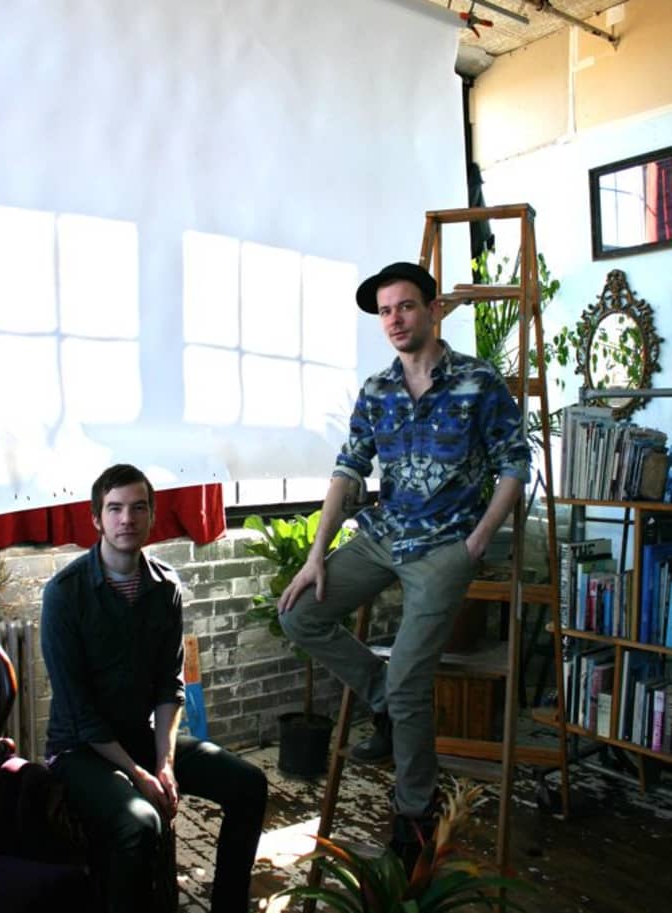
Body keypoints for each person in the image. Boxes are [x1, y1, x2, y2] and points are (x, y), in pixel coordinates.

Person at [279, 262, 530, 865]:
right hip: (381, 536)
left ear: (432, 308)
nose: (394, 319)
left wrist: (475, 542)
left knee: (414, 676)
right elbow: (348, 469)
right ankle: (383, 702)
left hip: (446, 546)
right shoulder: (377, 390)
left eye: (405, 306)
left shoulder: (478, 381)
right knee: (298, 616)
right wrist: (316, 557)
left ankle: (413, 816)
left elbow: (515, 466)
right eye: (386, 311)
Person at [41, 463, 267, 913]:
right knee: (141, 823)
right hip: (80, 749)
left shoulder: (166, 586)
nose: (127, 519)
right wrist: (140, 775)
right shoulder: (65, 593)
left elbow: (169, 685)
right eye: (115, 508)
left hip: (143, 738)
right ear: (96, 518)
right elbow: (78, 709)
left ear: (151, 515)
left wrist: (163, 763)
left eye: (138, 508)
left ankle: (228, 905)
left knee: (249, 784)